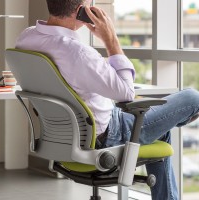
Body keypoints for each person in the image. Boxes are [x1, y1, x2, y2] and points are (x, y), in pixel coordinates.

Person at [15, 0, 199, 199]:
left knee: (160, 131)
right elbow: (126, 92)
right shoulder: (77, 52)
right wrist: (110, 39)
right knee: (192, 97)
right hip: (106, 135)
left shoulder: (27, 38)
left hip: (62, 137)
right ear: (80, 11)